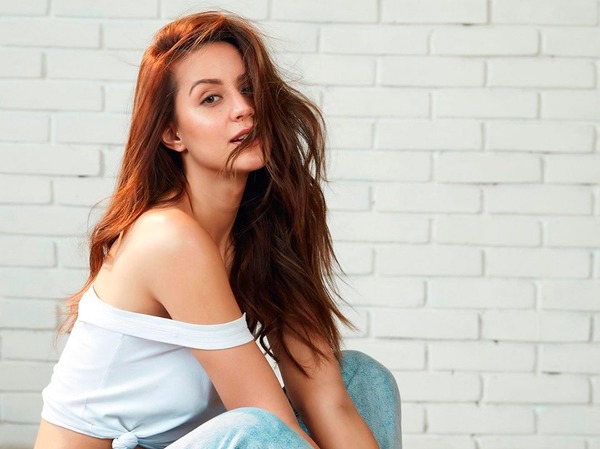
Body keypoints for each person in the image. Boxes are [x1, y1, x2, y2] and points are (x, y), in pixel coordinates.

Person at [33, 10, 401, 449]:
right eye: (211, 99)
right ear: (172, 134)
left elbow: (327, 399)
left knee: (361, 377)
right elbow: (268, 424)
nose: (244, 108)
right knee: (257, 429)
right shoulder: (168, 238)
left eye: (249, 89)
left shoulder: (264, 233)